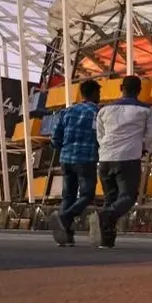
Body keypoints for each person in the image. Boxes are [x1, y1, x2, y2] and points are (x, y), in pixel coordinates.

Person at [92, 76, 152, 249]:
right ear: (140, 90)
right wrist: (144, 148)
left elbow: (100, 135)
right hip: (129, 158)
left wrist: (105, 149)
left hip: (105, 158)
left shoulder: (104, 110)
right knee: (128, 197)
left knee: (110, 198)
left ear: (121, 87)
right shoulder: (146, 110)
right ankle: (107, 215)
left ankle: (107, 241)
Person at [47, 80, 101, 247]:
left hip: (66, 159)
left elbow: (55, 137)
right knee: (87, 195)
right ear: (94, 93)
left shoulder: (67, 111)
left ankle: (67, 236)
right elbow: (102, 136)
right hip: (86, 159)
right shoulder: (98, 112)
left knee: (68, 196)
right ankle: (64, 217)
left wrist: (62, 148)